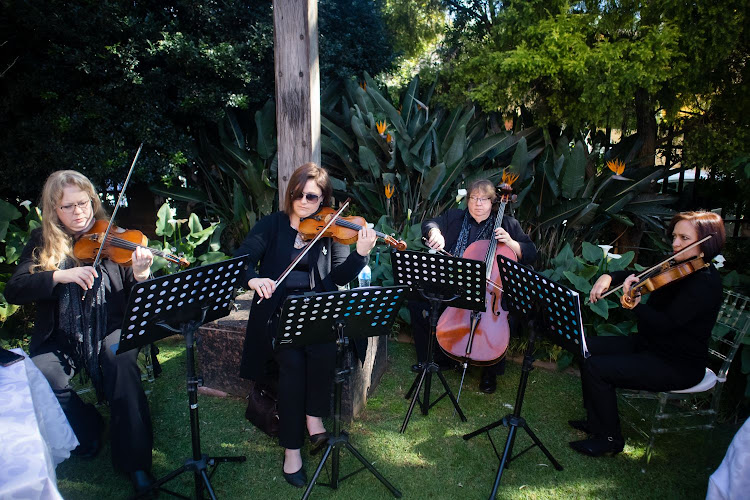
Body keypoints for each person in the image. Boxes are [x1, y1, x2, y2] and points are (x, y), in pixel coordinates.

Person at [5, 170, 155, 493]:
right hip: (62, 334)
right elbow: (14, 288)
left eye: (84, 203)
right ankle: (88, 427)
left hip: (111, 326)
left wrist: (142, 276)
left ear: (93, 201)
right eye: (68, 207)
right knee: (44, 373)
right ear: (54, 211)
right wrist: (58, 277)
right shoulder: (41, 242)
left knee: (121, 358)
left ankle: (136, 463)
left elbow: (142, 300)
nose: (79, 212)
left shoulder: (115, 237)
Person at [234, 162, 376, 488]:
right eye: (297, 194)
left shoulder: (331, 229)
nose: (303, 202)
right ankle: (292, 449)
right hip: (277, 315)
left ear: (324, 199)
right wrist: (254, 279)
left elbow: (339, 275)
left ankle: (313, 418)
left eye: (312, 197)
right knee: (294, 362)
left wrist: (361, 254)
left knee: (324, 348)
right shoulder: (272, 225)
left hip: (316, 311)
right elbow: (243, 257)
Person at [571, 211, 726, 457]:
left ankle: (610, 439)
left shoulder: (704, 283)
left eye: (684, 238)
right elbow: (638, 276)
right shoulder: (678, 265)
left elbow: (666, 324)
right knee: (585, 347)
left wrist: (635, 307)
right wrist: (608, 276)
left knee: (597, 367)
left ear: (706, 243)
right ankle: (595, 421)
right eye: (675, 236)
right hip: (650, 346)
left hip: (677, 364)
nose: (675, 243)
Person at [414, 178, 537, 393]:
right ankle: (434, 359)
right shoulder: (455, 217)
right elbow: (430, 224)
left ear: (493, 202)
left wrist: (509, 242)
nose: (477, 203)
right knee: (418, 301)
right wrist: (434, 233)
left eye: (483, 199)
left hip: (492, 292)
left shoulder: (508, 224)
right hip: (455, 283)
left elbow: (530, 253)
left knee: (507, 314)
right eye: (473, 198)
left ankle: (490, 372)